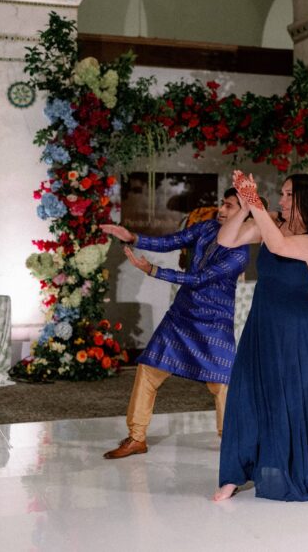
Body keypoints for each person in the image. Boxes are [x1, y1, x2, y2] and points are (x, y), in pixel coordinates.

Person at [214, 172, 308, 501]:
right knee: (246, 393)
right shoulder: (272, 223)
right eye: (281, 193)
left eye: (289, 194)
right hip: (261, 322)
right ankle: (234, 474)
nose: (281, 199)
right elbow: (226, 240)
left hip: (294, 327)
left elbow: (279, 247)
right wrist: (243, 206)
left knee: (287, 397)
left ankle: (289, 465)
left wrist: (255, 203)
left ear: (304, 199)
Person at [100, 189, 250, 459]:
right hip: (182, 315)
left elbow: (200, 279)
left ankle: (231, 443)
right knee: (148, 368)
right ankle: (136, 437)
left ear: (244, 212)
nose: (221, 210)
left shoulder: (240, 254)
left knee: (223, 384)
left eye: (229, 206)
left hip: (214, 324)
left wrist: (153, 271)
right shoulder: (207, 228)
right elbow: (172, 240)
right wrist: (133, 237)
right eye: (222, 204)